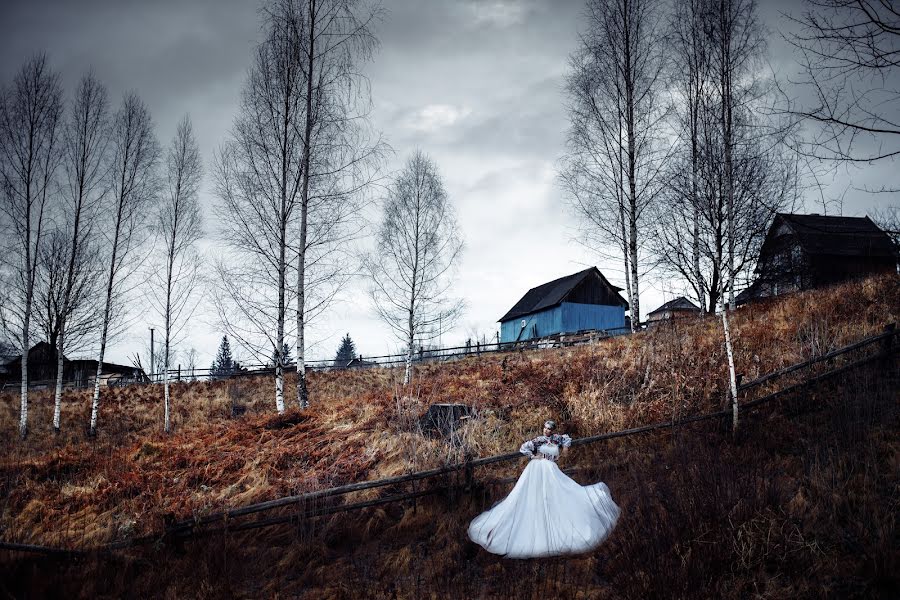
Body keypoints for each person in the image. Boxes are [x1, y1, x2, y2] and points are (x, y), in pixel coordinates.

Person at [467, 420, 620, 558]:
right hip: (536, 469)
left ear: (553, 430)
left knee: (556, 493)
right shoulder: (538, 440)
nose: (547, 431)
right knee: (532, 494)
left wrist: (565, 448)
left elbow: (566, 440)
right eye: (545, 428)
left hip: (551, 469)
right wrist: (533, 457)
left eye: (549, 429)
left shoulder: (557, 438)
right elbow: (524, 448)